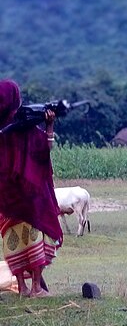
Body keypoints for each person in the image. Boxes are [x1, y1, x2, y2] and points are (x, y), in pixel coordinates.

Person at [0, 80, 62, 297]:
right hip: (30, 199)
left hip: (6, 203)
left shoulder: (5, 131)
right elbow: (46, 148)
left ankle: (23, 288)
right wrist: (50, 126)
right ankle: (36, 287)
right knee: (34, 236)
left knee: (13, 240)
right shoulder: (25, 130)